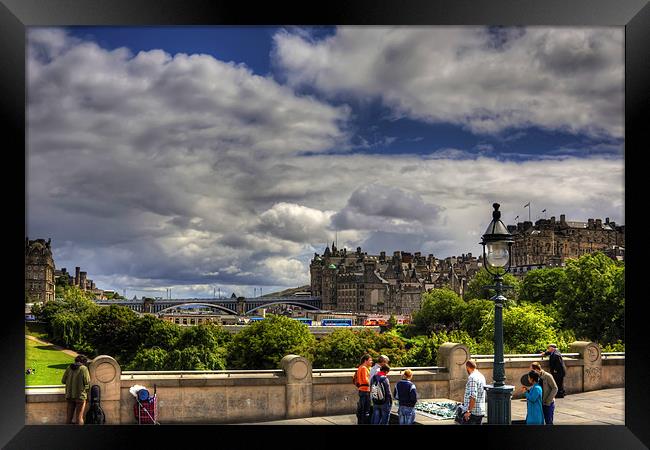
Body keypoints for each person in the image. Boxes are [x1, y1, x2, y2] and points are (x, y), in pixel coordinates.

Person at [62, 355, 91, 425]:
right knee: (79, 418)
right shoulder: (84, 368)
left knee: (68, 418)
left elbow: (63, 381)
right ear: (83, 362)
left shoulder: (69, 368)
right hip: (80, 396)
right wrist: (87, 392)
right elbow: (87, 382)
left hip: (69, 395)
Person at [462, 360, 486, 425]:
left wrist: (468, 411)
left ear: (467, 367)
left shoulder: (472, 377)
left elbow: (473, 396)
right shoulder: (481, 376)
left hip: (473, 413)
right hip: (480, 411)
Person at [355, 354, 373, 424]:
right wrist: (372, 383)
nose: (372, 362)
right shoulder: (364, 368)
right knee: (366, 409)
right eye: (370, 360)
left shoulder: (360, 367)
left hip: (362, 390)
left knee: (362, 409)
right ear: (365, 361)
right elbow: (365, 380)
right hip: (365, 390)